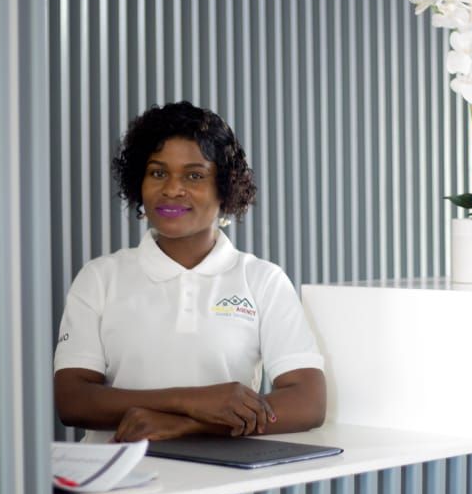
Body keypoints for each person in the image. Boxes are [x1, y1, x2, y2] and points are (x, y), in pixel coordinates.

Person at [53, 101, 326, 443]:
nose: (172, 188)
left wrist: (188, 424)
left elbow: (308, 402)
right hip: (117, 482)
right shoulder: (99, 278)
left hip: (225, 483)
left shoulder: (262, 280)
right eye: (157, 172)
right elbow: (72, 400)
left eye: (194, 175)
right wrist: (191, 400)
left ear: (224, 188)